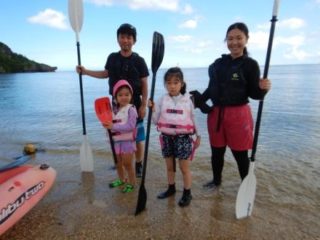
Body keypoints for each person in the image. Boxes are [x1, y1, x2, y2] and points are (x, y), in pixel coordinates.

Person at [190, 22, 271, 189]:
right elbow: (212, 89)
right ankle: (216, 181)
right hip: (216, 114)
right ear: (226, 40)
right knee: (216, 153)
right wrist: (194, 102)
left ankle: (246, 187)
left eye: (239, 38)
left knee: (240, 155)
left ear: (246, 39)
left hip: (238, 115)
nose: (234, 42)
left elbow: (254, 94)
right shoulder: (218, 64)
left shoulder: (250, 64)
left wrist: (263, 90)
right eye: (230, 38)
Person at [76, 23, 149, 178]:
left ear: (134, 40)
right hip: (115, 107)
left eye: (129, 37)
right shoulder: (113, 58)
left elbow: (144, 84)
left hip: (134, 105)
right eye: (122, 37)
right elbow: (105, 74)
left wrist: (143, 105)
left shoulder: (139, 61)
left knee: (138, 137)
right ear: (118, 39)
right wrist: (86, 72)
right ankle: (120, 162)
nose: (125, 40)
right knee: (117, 135)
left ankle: (138, 163)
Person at [150, 67, 201, 207]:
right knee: (170, 167)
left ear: (182, 83)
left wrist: (199, 136)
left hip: (183, 138)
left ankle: (187, 193)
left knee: (184, 168)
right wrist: (152, 109)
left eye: (175, 82)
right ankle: (171, 188)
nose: (172, 86)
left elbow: (194, 118)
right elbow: (155, 121)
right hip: (166, 137)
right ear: (165, 84)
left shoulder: (188, 100)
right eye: (168, 82)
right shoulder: (162, 99)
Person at [103, 80, 137, 193]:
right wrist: (106, 125)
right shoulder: (111, 111)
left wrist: (113, 126)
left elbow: (131, 126)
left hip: (127, 143)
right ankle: (122, 179)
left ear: (131, 96)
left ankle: (132, 183)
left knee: (128, 164)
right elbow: (108, 124)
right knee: (118, 163)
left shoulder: (131, 110)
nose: (124, 97)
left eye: (127, 94)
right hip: (115, 142)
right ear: (115, 97)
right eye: (120, 95)